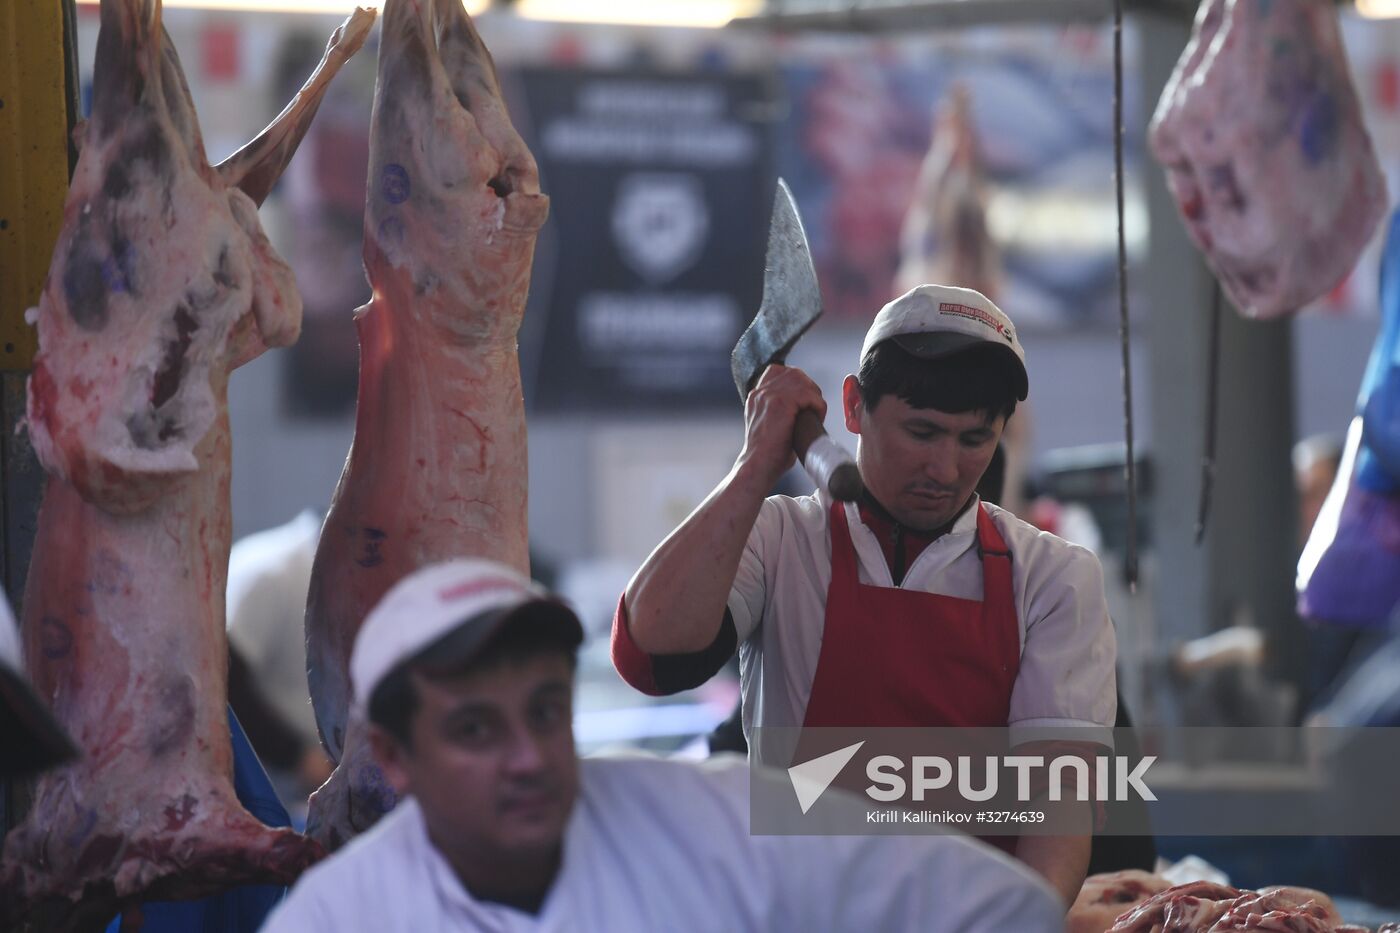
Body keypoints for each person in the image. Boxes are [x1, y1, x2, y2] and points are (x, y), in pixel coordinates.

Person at [613, 284, 1117, 906]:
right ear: (854, 406)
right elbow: (650, 654)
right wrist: (754, 465)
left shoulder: (1052, 577)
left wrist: (1017, 923)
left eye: (974, 440)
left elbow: (1057, 809)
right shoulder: (780, 541)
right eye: (922, 431)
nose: (945, 469)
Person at [260, 558, 1066, 932]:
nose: (530, 755)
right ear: (395, 760)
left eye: (546, 710)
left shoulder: (717, 818)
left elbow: (1005, 909)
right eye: (476, 729)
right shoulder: (341, 919)